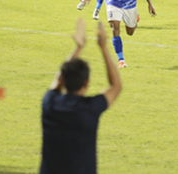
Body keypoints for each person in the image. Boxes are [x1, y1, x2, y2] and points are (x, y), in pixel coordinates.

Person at [40, 18, 121, 174]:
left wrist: (79, 47)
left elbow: (58, 80)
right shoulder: (90, 108)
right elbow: (116, 86)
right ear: (87, 83)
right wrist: (103, 47)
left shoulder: (50, 103)